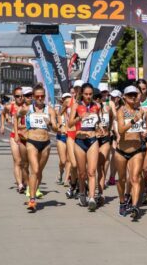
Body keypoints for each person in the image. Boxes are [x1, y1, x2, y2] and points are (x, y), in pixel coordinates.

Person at [17, 84, 57, 211]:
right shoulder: (28, 108)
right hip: (32, 142)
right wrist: (18, 128)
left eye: (42, 96)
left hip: (45, 144)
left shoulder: (49, 110)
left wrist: (50, 123)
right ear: (33, 97)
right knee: (34, 169)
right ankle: (32, 199)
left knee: (39, 171)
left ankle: (33, 190)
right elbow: (17, 115)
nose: (40, 98)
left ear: (45, 97)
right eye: (37, 96)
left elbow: (55, 128)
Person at [115, 85, 147, 219]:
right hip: (121, 150)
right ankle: (122, 202)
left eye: (135, 95)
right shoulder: (121, 111)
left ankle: (135, 206)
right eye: (130, 95)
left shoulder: (142, 111)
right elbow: (121, 130)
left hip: (136, 150)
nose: (133, 97)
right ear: (124, 97)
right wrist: (133, 120)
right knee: (122, 179)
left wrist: (146, 132)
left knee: (135, 177)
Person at [68, 83, 101, 211]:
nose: (88, 96)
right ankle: (82, 192)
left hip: (92, 140)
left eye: (90, 94)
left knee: (91, 171)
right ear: (82, 94)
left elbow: (97, 123)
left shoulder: (96, 106)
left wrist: (100, 128)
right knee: (82, 173)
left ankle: (92, 198)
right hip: (80, 141)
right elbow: (70, 123)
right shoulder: (77, 105)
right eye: (86, 94)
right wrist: (79, 118)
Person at [0, 87, 27, 193]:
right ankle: (20, 184)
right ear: (14, 96)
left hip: (26, 136)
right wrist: (2, 125)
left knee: (25, 163)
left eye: (22, 96)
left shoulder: (28, 106)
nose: (20, 98)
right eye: (17, 96)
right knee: (17, 161)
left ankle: (25, 181)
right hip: (14, 135)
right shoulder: (10, 106)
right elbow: (2, 113)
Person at [95, 88, 114, 206]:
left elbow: (111, 118)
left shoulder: (107, 109)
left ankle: (100, 192)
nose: (97, 100)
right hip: (92, 139)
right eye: (95, 98)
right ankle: (88, 187)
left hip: (105, 138)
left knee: (101, 165)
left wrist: (109, 130)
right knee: (91, 167)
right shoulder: (89, 109)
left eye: (99, 97)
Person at [55, 93, 72, 185]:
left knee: (69, 160)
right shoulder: (57, 110)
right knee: (63, 160)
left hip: (70, 136)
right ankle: (61, 173)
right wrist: (59, 126)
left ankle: (66, 179)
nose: (67, 100)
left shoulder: (72, 110)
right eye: (65, 99)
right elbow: (53, 124)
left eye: (68, 98)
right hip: (61, 136)